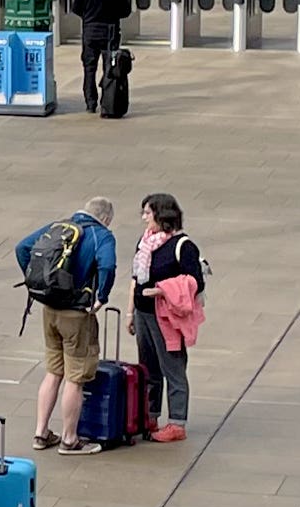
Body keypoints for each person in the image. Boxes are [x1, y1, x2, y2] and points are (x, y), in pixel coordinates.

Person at [25, 195, 120, 453]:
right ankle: (69, 439)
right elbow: (108, 265)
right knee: (75, 378)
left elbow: (23, 247)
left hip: (50, 310)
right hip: (77, 313)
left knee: (53, 372)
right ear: (106, 218)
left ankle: (41, 433)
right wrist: (102, 296)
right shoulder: (102, 235)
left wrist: (38, 285)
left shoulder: (60, 226)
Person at [132, 194, 204, 444]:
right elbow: (135, 279)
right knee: (148, 367)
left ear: (162, 216)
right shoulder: (145, 243)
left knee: (172, 367)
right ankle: (150, 415)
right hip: (144, 312)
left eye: (148, 213)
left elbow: (195, 282)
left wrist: (164, 290)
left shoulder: (183, 246)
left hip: (166, 317)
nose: (144, 218)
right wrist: (131, 312)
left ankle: (177, 422)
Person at [67, 0, 133, 113]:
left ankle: (90, 102)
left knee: (89, 68)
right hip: (109, 33)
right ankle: (107, 102)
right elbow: (125, 11)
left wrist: (88, 17)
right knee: (109, 68)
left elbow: (75, 7)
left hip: (90, 31)